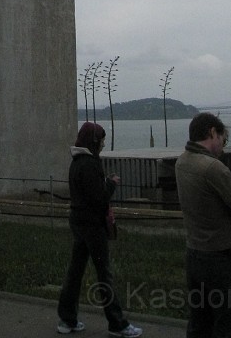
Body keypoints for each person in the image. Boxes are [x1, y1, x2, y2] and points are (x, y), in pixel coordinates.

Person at [56, 121, 143, 337]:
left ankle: (67, 319)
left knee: (75, 272)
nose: (103, 144)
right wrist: (111, 183)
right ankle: (117, 324)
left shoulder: (76, 162)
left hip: (78, 221)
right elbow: (99, 198)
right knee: (105, 274)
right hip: (92, 226)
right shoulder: (89, 164)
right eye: (102, 140)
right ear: (94, 141)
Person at [174, 112, 231, 338]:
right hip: (222, 257)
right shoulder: (212, 167)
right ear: (212, 132)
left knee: (200, 322)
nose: (222, 147)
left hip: (194, 254)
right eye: (222, 140)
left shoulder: (181, 162)